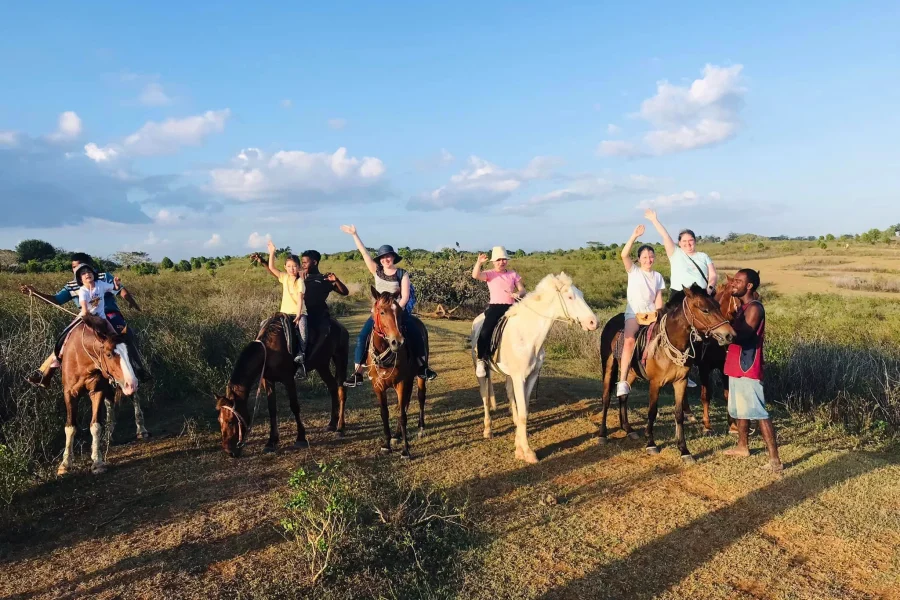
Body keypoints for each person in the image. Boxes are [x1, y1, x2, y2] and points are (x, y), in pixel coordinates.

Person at [20, 252, 148, 387]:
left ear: (90, 266)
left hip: (108, 314)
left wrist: (131, 301)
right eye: (73, 267)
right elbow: (56, 300)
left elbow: (120, 290)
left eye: (79, 266)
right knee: (64, 337)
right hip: (86, 316)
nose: (76, 269)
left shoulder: (103, 277)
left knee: (124, 334)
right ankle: (44, 374)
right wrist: (35, 293)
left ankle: (139, 369)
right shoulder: (72, 285)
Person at [339, 224, 437, 386]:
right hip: (379, 313)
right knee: (362, 336)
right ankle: (358, 373)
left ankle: (422, 367)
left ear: (393, 258)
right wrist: (354, 234)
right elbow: (364, 254)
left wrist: (396, 310)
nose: (386, 259)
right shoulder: (376, 270)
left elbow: (405, 296)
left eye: (388, 256)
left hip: (398, 311)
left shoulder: (402, 273)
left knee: (415, 333)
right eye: (383, 257)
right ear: (380, 260)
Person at [645, 209, 718, 388]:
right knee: (672, 332)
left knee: (709, 328)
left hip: (700, 297)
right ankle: (655, 362)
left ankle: (695, 367)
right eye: (684, 241)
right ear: (679, 243)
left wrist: (709, 288)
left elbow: (713, 275)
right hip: (679, 297)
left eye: (691, 241)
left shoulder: (703, 256)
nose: (688, 244)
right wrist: (655, 220)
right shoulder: (675, 253)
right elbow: (665, 236)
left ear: (695, 241)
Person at [722, 269, 782, 473]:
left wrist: (722, 328)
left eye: (738, 281)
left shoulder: (755, 308)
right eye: (733, 281)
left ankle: (775, 460)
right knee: (741, 409)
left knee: (758, 411)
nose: (733, 284)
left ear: (749, 286)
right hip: (736, 364)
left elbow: (744, 336)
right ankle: (742, 446)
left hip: (748, 364)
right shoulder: (742, 307)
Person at [616, 225, 666, 398]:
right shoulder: (634, 271)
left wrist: (660, 315)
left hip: (652, 314)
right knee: (629, 340)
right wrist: (634, 236)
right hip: (634, 314)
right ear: (639, 259)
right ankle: (623, 380)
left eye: (651, 256)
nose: (648, 259)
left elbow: (658, 298)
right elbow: (623, 255)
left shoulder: (658, 276)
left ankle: (679, 373)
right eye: (645, 257)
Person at [255, 240, 308, 379]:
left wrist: (298, 315)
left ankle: (301, 355)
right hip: (283, 313)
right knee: (264, 323)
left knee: (302, 331)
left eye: (295, 266)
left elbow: (300, 299)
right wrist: (272, 252)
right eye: (289, 266)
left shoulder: (300, 281)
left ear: (299, 268)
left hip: (298, 312)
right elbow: (272, 267)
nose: (292, 269)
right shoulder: (284, 277)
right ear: (285, 267)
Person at [472, 246, 525, 378]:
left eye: (504, 259)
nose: (502, 262)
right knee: (485, 330)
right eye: (499, 260)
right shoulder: (490, 274)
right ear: (494, 262)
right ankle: (481, 360)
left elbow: (522, 290)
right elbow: (475, 275)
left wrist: (517, 293)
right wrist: (478, 263)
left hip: (512, 307)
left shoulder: (513, 274)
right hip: (495, 307)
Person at [75, 263, 122, 337]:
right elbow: (84, 310)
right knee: (68, 331)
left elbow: (115, 288)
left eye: (89, 272)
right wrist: (88, 317)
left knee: (115, 336)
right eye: (83, 273)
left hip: (102, 317)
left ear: (93, 274)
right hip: (87, 317)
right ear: (80, 279)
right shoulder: (82, 291)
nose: (87, 274)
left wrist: (117, 285)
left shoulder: (100, 284)